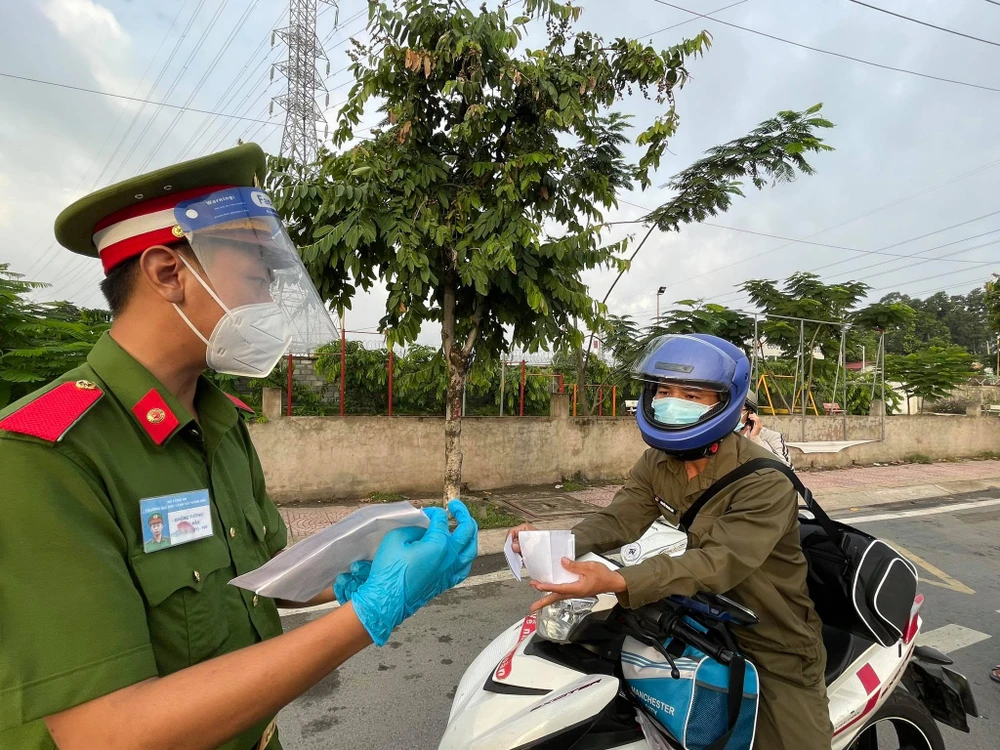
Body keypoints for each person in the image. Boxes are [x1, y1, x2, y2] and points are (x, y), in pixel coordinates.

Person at [0, 143, 478, 750]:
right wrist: (372, 613)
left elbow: (259, 581)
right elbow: (106, 733)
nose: (270, 303)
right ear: (168, 273)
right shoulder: (42, 455)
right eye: (257, 277)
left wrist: (363, 562)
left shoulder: (219, 421)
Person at [507, 334, 831, 750]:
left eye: (691, 395)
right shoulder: (657, 462)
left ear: (725, 402)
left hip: (773, 639)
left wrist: (618, 581)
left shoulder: (764, 479)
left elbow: (716, 562)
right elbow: (619, 518)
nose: (671, 402)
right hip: (703, 624)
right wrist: (554, 543)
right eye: (663, 391)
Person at [737, 391, 792, 466]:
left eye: (738, 410)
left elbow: (786, 468)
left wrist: (756, 439)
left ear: (750, 413)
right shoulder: (722, 437)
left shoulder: (771, 437)